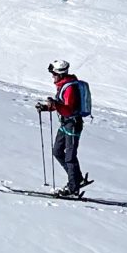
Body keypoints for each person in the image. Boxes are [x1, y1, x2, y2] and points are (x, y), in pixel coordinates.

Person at [36, 61, 89, 196]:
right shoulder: (63, 86)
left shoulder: (70, 88)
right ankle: (77, 178)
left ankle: (73, 188)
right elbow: (61, 106)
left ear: (60, 74)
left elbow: (69, 110)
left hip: (73, 124)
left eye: (54, 74)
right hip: (66, 124)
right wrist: (47, 107)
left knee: (70, 157)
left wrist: (54, 105)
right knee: (57, 151)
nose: (52, 77)